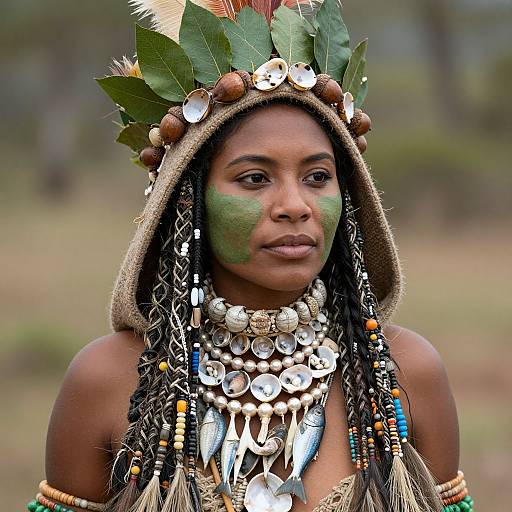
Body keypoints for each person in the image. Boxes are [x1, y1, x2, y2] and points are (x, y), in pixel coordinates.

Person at [29, 2, 473, 512]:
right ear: (189, 200)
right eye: (254, 178)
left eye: (317, 177)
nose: (294, 206)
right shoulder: (107, 381)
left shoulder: (408, 374)